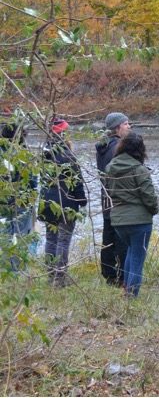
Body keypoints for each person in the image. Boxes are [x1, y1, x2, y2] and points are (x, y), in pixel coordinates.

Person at [105, 132, 159, 297]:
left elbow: (108, 191)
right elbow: (149, 197)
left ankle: (127, 288)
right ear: (140, 150)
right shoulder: (140, 170)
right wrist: (154, 210)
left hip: (118, 220)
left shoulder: (110, 168)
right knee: (137, 258)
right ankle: (132, 295)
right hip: (140, 221)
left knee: (131, 251)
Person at [39, 118, 87, 287]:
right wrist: (83, 201)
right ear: (63, 135)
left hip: (46, 203)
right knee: (63, 241)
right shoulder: (68, 156)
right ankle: (59, 278)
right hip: (66, 205)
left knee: (51, 239)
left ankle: (50, 275)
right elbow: (77, 182)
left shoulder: (44, 155)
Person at [96, 112, 131, 287]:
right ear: (116, 128)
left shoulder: (103, 146)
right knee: (121, 240)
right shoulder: (117, 147)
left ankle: (109, 275)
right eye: (125, 124)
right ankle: (122, 276)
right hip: (118, 199)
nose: (129, 127)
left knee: (108, 238)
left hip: (106, 198)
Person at [0, 119, 38, 270]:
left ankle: (6, 269)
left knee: (5, 235)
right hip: (21, 201)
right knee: (21, 235)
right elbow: (32, 181)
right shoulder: (24, 154)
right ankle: (18, 270)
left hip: (2, 201)